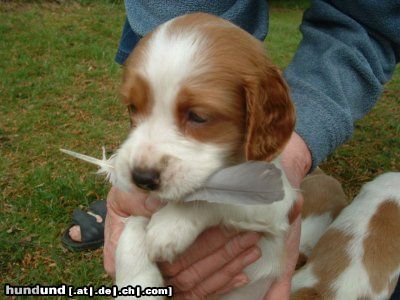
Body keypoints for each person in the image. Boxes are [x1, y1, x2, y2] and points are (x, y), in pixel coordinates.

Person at [63, 0, 400, 298]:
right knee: (135, 232)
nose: (143, 161)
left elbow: (272, 203)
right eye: (136, 109)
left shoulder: (260, 167)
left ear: (256, 112)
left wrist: (194, 213)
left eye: (196, 116)